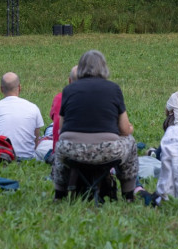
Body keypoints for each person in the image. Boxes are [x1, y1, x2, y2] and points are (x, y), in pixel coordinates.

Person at [52, 50, 139, 201]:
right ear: (104, 67)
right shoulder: (113, 89)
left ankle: (59, 194)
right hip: (107, 151)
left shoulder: (68, 90)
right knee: (130, 142)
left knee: (61, 145)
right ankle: (128, 194)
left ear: (80, 68)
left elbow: (61, 128)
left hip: (72, 151)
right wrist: (129, 129)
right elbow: (124, 130)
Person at [0, 72, 44, 160]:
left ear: (1, 89)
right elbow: (36, 137)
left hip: (3, 157)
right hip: (28, 157)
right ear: (19, 88)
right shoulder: (33, 107)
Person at [48, 66, 78, 155]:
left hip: (59, 153)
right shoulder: (93, 100)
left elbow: (55, 119)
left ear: (69, 81)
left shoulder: (59, 97)